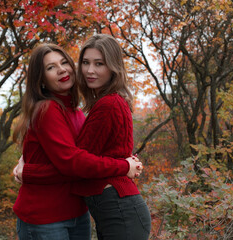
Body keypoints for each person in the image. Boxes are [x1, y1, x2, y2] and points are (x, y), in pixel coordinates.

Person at [14, 34, 152, 239]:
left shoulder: (78, 112)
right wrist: (123, 166)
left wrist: (30, 172)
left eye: (64, 63)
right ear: (40, 78)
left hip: (78, 213)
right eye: (50, 67)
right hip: (46, 217)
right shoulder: (48, 109)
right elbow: (73, 163)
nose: (61, 69)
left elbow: (82, 160)